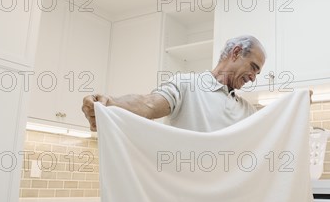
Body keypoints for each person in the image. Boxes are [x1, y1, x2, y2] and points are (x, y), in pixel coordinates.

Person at [82, 35, 266, 132]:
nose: (253, 77)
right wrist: (109, 104)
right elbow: (149, 105)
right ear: (235, 53)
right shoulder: (187, 85)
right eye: (253, 67)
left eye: (257, 73)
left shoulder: (248, 111)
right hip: (184, 200)